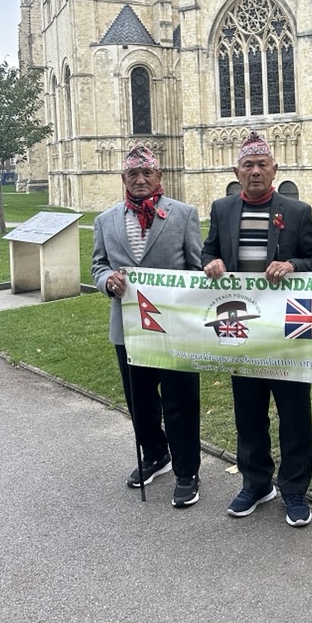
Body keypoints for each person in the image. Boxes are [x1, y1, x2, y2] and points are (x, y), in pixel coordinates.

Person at [201, 131, 312, 527]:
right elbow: (208, 250)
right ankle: (256, 482)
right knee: (249, 414)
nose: (255, 172)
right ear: (236, 171)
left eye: (262, 165)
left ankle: (294, 490)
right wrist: (211, 263)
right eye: (247, 166)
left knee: (294, 415)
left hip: (287, 335)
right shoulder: (221, 209)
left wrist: (292, 267)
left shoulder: (297, 211)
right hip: (242, 332)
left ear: (274, 169)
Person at [92, 145, 203, 508]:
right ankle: (156, 455)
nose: (140, 181)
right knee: (139, 400)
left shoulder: (183, 215)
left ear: (159, 177)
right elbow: (98, 265)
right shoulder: (106, 220)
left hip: (175, 329)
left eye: (147, 174)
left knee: (180, 400)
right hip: (128, 328)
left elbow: (197, 267)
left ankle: (187, 471)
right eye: (132, 175)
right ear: (123, 179)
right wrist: (108, 280)